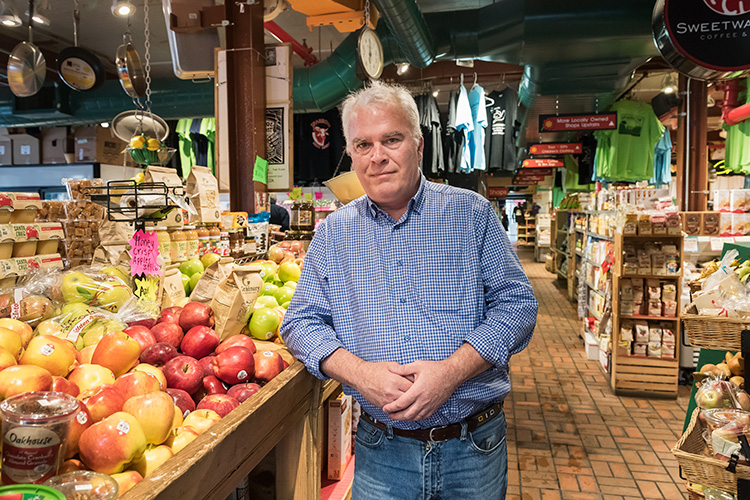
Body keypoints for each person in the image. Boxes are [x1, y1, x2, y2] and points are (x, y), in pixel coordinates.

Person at [280, 81, 537, 500]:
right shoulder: (333, 236)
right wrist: (360, 373)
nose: (377, 156)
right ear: (351, 154)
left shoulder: (470, 214)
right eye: (363, 145)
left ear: (418, 146)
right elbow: (301, 322)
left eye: (391, 140)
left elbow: (517, 305)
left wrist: (451, 372)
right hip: (382, 451)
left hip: (472, 447)